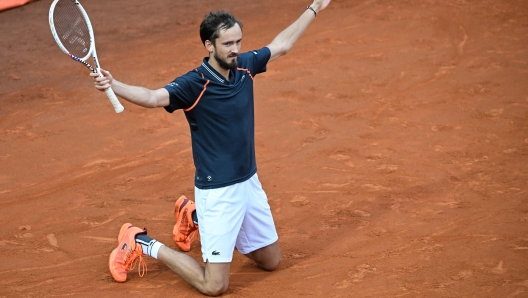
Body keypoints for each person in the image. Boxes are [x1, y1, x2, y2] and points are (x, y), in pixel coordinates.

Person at [92, 1, 331, 296]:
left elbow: (281, 45)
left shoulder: (244, 66)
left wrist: (314, 8)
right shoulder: (195, 84)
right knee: (214, 285)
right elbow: (153, 97)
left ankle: (192, 218)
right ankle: (142, 242)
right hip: (217, 192)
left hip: (249, 183)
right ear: (209, 44)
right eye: (227, 43)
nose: (235, 49)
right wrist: (114, 85)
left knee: (271, 262)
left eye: (238, 42)